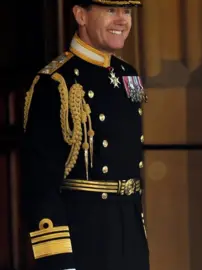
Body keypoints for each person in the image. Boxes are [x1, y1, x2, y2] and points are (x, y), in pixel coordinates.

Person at [21, 1, 149, 269]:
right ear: (80, 15)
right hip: (85, 239)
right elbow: (40, 185)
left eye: (126, 12)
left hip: (130, 236)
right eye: (110, 10)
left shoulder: (129, 76)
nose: (122, 20)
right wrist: (59, 261)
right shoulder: (56, 82)